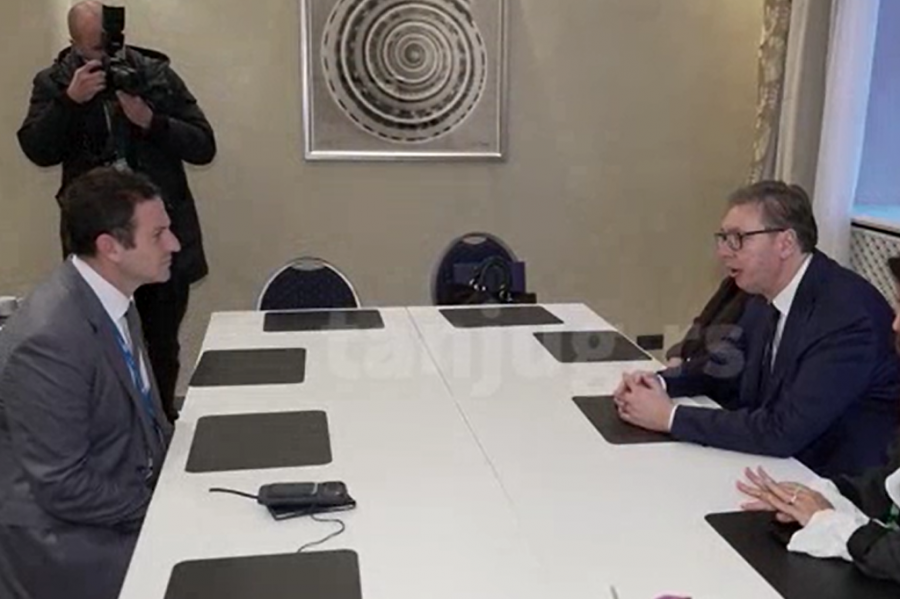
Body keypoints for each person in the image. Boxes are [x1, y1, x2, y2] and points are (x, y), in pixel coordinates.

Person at [614, 181, 900, 477]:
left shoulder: (846, 317)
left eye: (737, 238)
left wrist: (669, 416)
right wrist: (658, 383)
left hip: (832, 482)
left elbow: (783, 430)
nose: (724, 252)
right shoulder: (763, 293)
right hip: (777, 466)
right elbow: (725, 368)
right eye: (723, 238)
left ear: (785, 243)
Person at [17, 0, 215, 422]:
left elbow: (203, 144)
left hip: (155, 238)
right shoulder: (54, 82)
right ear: (74, 44)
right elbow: (37, 148)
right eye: (93, 50)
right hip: (98, 243)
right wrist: (69, 102)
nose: (105, 60)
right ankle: (112, 438)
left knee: (160, 346)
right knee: (100, 347)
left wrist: (151, 121)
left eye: (109, 47)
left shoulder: (153, 73)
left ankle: (160, 429)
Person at [0, 167, 177, 599]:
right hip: (64, 541)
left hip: (112, 498)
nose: (174, 244)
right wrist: (164, 508)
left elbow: (146, 419)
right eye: (158, 235)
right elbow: (62, 485)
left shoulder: (114, 297)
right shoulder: (49, 339)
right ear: (110, 247)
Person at [734, 255, 900, 584]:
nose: (895, 325)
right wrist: (819, 493)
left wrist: (836, 525)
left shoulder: (849, 315)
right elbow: (888, 485)